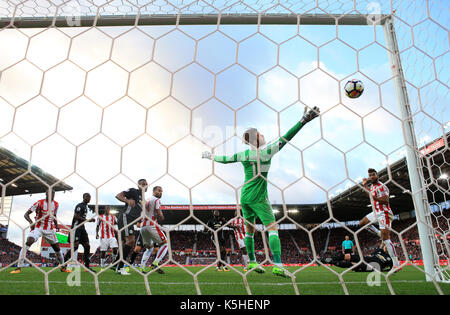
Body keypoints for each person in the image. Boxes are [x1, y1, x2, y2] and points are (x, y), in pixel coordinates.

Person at [202, 106, 320, 277]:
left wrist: (210, 156)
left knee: (249, 232)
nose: (264, 135)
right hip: (259, 197)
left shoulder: (244, 155)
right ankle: (278, 265)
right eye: (261, 134)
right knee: (272, 228)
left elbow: (226, 160)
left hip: (245, 196)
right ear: (256, 138)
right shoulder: (266, 152)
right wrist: (303, 121)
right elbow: (287, 137)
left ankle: (251, 262)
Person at [10, 190, 71, 274]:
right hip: (38, 228)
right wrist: (31, 222)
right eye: (50, 194)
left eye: (53, 194)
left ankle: (63, 267)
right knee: (29, 241)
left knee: (57, 248)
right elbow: (26, 214)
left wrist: (56, 225)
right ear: (46, 194)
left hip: (49, 230)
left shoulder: (56, 204)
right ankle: (18, 267)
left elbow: (54, 215)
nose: (52, 196)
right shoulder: (39, 203)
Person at [359, 168, 401, 272]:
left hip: (384, 213)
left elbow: (386, 201)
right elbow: (370, 194)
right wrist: (365, 185)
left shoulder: (382, 186)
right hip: (376, 212)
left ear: (377, 175)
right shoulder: (372, 186)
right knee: (362, 223)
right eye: (370, 175)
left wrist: (374, 198)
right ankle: (379, 233)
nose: (372, 176)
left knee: (386, 239)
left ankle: (396, 264)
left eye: (373, 174)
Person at [113, 179, 148, 275]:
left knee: (127, 242)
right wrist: (127, 200)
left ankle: (115, 264)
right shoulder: (133, 191)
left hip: (130, 222)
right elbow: (118, 195)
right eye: (142, 184)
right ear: (138, 185)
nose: (144, 185)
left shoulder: (143, 199)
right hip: (125, 217)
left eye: (146, 184)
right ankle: (120, 268)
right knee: (130, 241)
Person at [64, 193, 96, 272]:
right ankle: (64, 263)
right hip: (76, 228)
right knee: (75, 246)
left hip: (82, 228)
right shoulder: (80, 206)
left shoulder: (85, 207)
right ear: (84, 197)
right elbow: (76, 217)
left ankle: (87, 267)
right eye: (87, 197)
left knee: (87, 246)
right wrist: (88, 220)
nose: (89, 198)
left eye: (90, 197)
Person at [140, 186, 168, 274]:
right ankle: (155, 263)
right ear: (154, 191)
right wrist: (162, 217)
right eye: (159, 191)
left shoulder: (146, 200)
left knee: (149, 248)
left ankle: (142, 268)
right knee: (165, 244)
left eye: (161, 191)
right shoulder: (156, 200)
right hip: (151, 225)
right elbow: (159, 213)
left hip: (143, 227)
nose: (160, 193)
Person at [324, 246, 393, 272]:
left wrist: (382, 270)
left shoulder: (390, 258)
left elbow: (393, 268)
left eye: (388, 247)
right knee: (347, 256)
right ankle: (328, 259)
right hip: (364, 258)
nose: (386, 247)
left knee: (353, 264)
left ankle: (332, 262)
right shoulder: (379, 250)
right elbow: (371, 255)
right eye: (386, 246)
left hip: (371, 265)